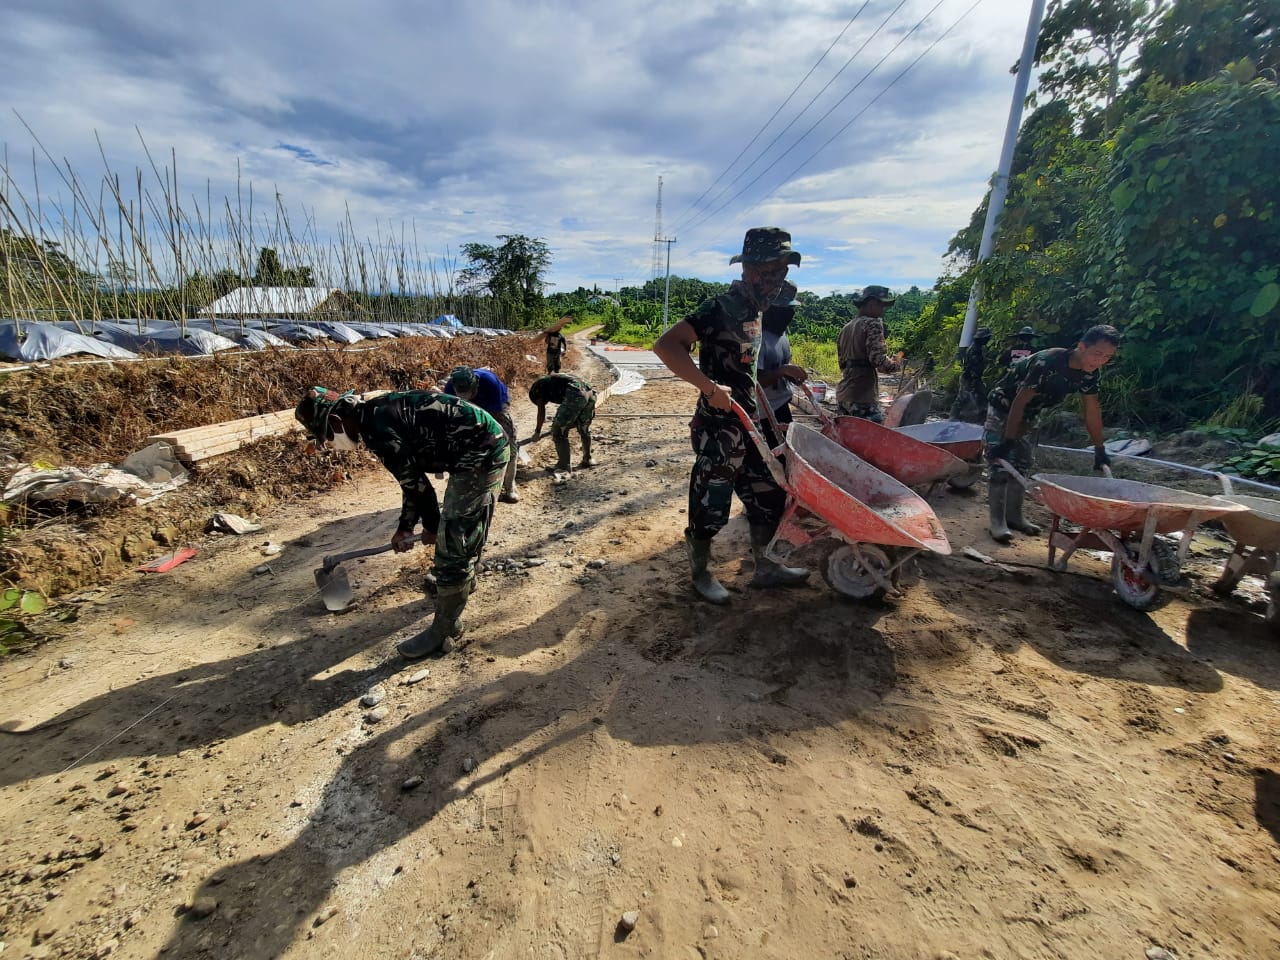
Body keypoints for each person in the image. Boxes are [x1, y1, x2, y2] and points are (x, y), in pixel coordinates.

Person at [653, 226, 809, 604]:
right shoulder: (718, 307)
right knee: (711, 502)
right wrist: (708, 387)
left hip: (752, 424)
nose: (777, 279)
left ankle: (766, 567)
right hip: (719, 428)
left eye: (783, 270)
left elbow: (744, 367)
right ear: (750, 269)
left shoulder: (757, 312)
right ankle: (701, 574)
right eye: (770, 270)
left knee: (768, 495)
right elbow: (666, 345)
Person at [294, 385, 509, 660]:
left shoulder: (376, 430)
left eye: (326, 436)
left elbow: (418, 487)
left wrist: (432, 527)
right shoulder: (374, 414)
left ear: (336, 421)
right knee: (462, 526)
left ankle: (446, 628)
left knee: (454, 536)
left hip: (482, 452)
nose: (331, 443)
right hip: (479, 444)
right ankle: (464, 581)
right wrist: (406, 526)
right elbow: (412, 479)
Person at [984, 324, 1121, 543]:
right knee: (1001, 463)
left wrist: (1099, 448)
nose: (1100, 361)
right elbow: (1019, 401)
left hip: (1032, 411)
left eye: (1107, 357)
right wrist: (1008, 439)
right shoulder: (1048, 362)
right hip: (1004, 405)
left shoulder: (1090, 374)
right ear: (1082, 347)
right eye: (1097, 354)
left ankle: (1014, 516)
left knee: (1023, 462)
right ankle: (997, 522)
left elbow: (1091, 409)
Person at [445, 365, 520, 504]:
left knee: (508, 444)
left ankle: (509, 487)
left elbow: (494, 417)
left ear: (475, 385)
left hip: (494, 409)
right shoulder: (450, 387)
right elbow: (451, 416)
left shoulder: (490, 382)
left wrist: (491, 436)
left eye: (470, 393)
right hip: (466, 411)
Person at [836, 285, 900, 422]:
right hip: (862, 396)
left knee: (846, 439)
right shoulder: (873, 323)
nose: (882, 311)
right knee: (876, 437)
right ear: (871, 304)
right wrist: (895, 365)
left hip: (844, 395)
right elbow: (878, 360)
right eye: (881, 306)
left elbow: (842, 364)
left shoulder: (846, 328)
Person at [756, 281, 807, 448]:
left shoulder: (782, 336)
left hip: (781, 404)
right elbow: (756, 381)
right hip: (764, 412)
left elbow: (779, 369)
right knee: (774, 457)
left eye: (791, 309)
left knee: (788, 453)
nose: (790, 313)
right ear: (770, 309)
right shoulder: (758, 339)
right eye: (784, 309)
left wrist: (791, 375)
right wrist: (783, 370)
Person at [528, 373, 598, 471]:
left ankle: (563, 464)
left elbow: (541, 412)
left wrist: (537, 431)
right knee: (584, 427)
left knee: (558, 430)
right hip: (590, 393)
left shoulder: (537, 390)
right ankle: (588, 459)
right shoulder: (550, 381)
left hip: (575, 394)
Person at [951, 326, 993, 421]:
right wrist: (974, 379)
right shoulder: (975, 349)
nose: (988, 340)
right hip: (970, 377)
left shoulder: (976, 347)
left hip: (973, 377)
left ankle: (980, 417)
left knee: (981, 397)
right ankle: (953, 417)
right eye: (987, 338)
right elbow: (973, 365)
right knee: (962, 397)